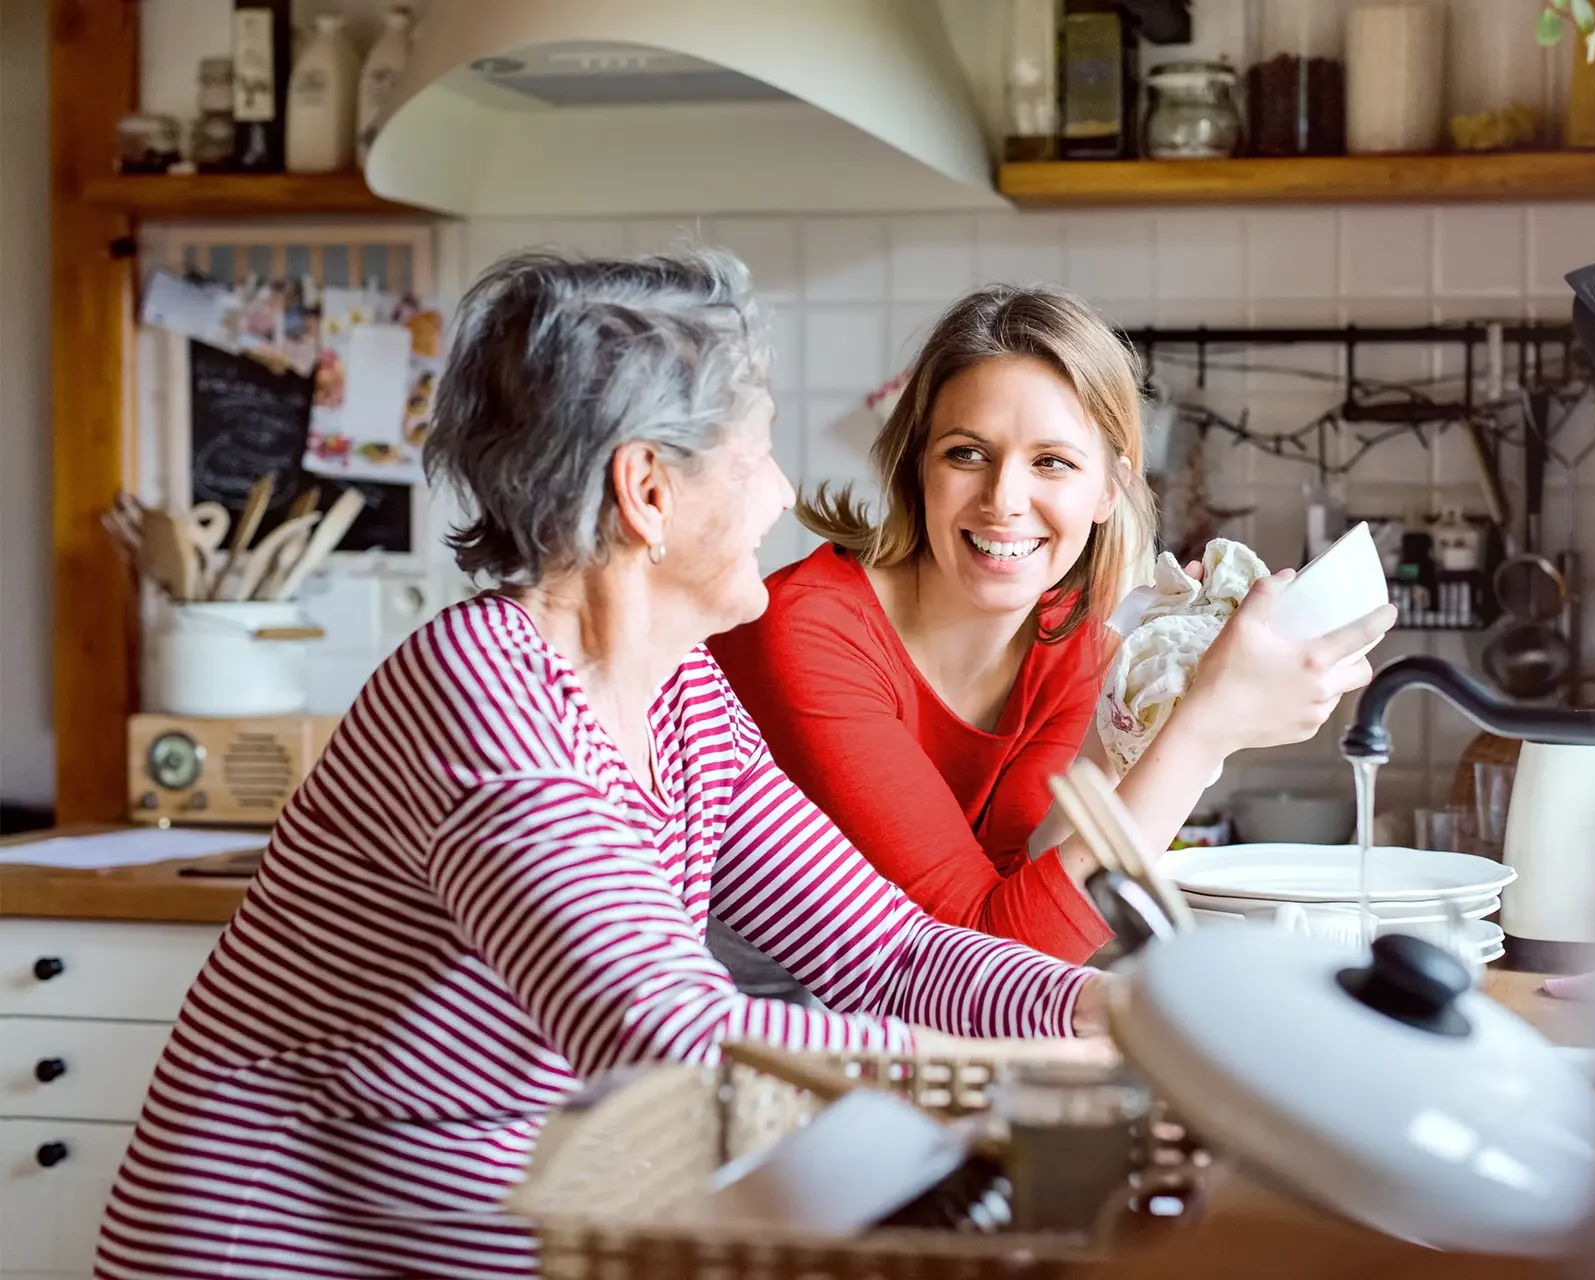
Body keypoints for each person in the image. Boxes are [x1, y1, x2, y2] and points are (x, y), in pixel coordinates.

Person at [94, 253, 1101, 1280]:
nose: (787, 491)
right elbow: (665, 1032)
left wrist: (1103, 1015)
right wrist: (1025, 1078)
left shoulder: (680, 692)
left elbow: (885, 953)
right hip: (279, 1245)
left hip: (490, 1224)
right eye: (756, 454)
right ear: (649, 490)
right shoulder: (482, 690)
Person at [709, 285, 1395, 964]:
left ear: (1109, 488)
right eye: (966, 453)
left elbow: (1032, 898)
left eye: (1052, 462)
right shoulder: (806, 633)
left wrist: (1154, 709)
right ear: (918, 469)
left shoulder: (1073, 638)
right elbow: (982, 959)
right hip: (740, 1038)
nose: (1004, 499)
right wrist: (1205, 730)